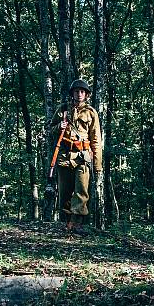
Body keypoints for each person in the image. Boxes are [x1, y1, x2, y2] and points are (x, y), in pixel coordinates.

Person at [49, 79, 102, 235]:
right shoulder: (62, 110)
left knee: (81, 191)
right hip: (64, 156)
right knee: (65, 192)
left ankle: (76, 224)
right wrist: (59, 127)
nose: (79, 94)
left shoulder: (91, 113)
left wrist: (97, 164)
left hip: (83, 157)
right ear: (72, 93)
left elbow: (96, 139)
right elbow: (50, 130)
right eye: (76, 91)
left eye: (82, 92)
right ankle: (66, 223)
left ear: (86, 95)